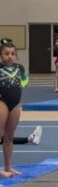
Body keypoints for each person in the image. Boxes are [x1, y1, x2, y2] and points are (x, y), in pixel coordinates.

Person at [0, 38, 29, 177]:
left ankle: (9, 167)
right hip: (2, 102)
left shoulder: (20, 68)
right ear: (1, 55)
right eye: (6, 53)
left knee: (9, 137)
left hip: (15, 103)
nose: (10, 56)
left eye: (12, 53)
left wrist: (21, 85)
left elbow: (25, 78)